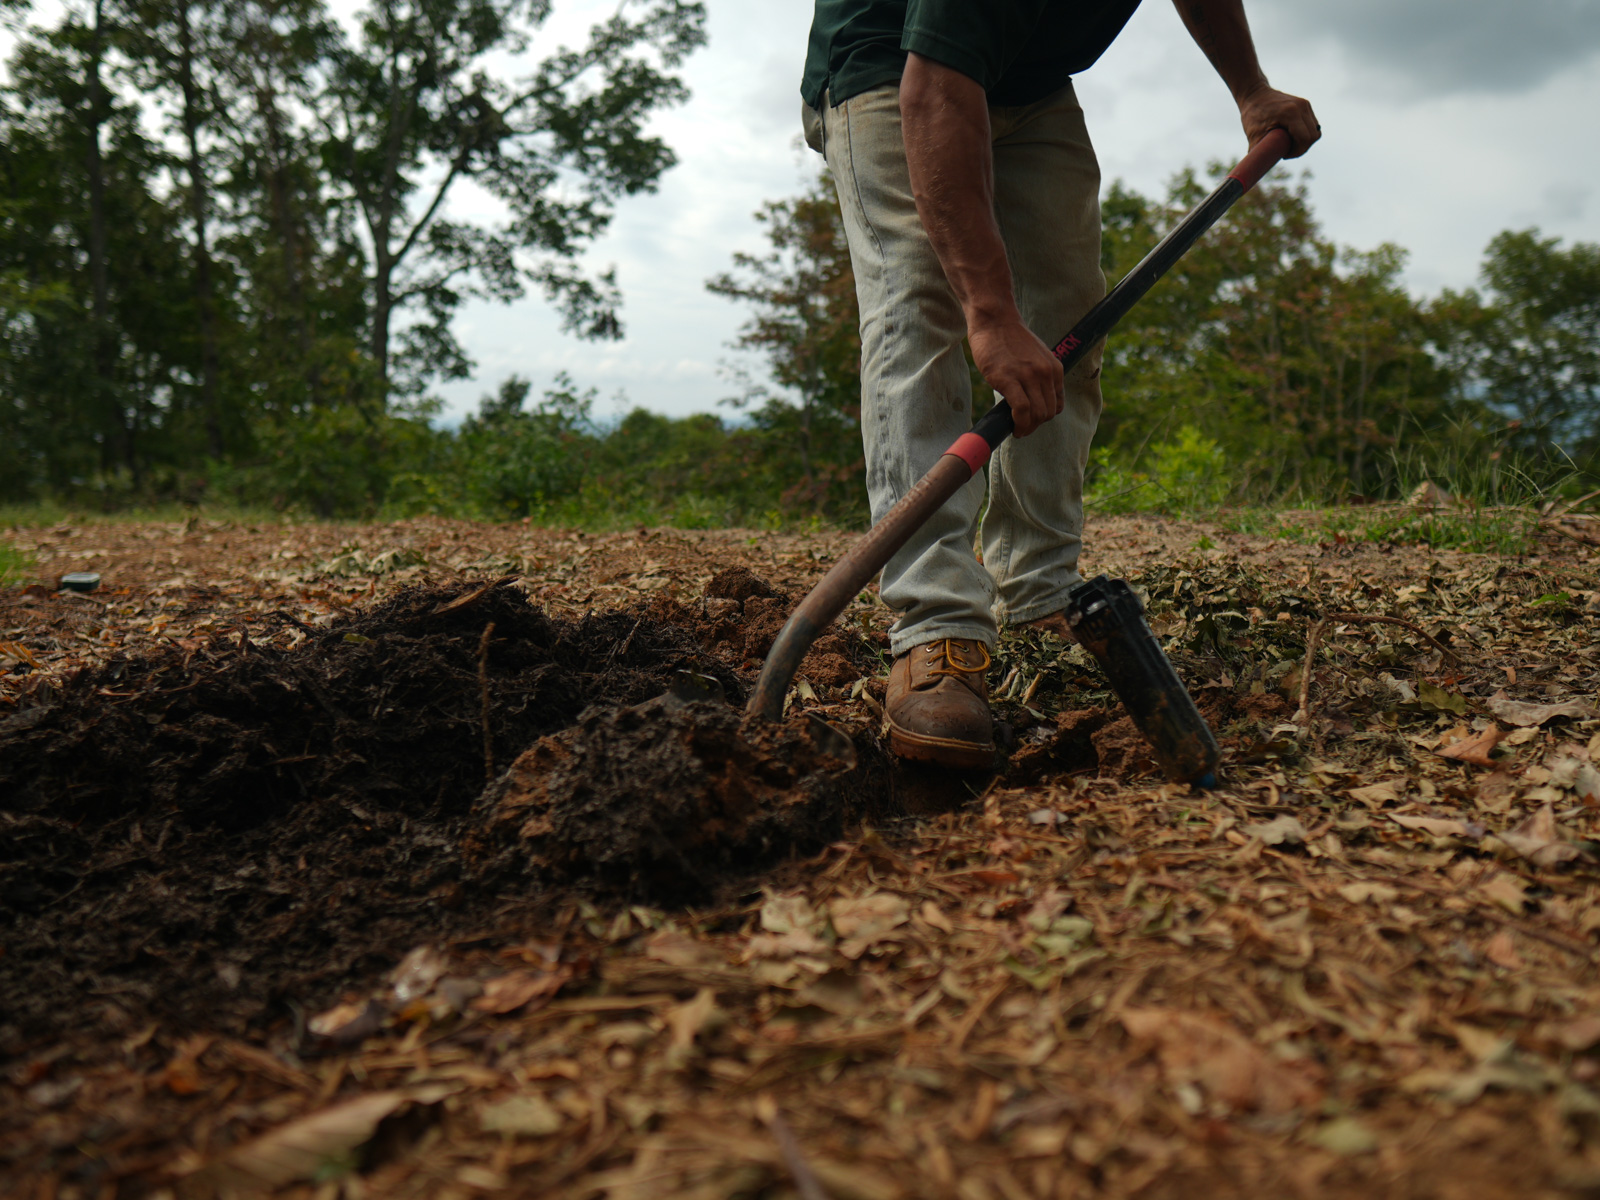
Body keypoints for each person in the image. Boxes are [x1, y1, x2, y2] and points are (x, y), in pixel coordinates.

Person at [799, 0, 1318, 768]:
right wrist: (990, 313)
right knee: (924, 307)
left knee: (1070, 316)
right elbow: (935, 87)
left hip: (1029, 81)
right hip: (891, 67)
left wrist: (1251, 89)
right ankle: (937, 629)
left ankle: (1039, 592)